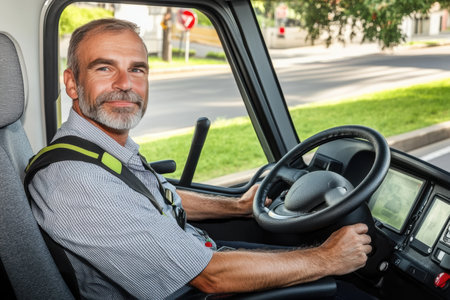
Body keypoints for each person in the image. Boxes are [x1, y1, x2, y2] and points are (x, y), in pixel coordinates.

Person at [27, 18, 373, 299]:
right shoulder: (78, 180)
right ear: (72, 84)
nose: (125, 84)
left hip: (199, 260)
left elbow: (159, 198)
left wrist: (236, 206)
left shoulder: (95, 149)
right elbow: (210, 278)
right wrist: (326, 258)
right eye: (104, 69)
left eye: (138, 70)